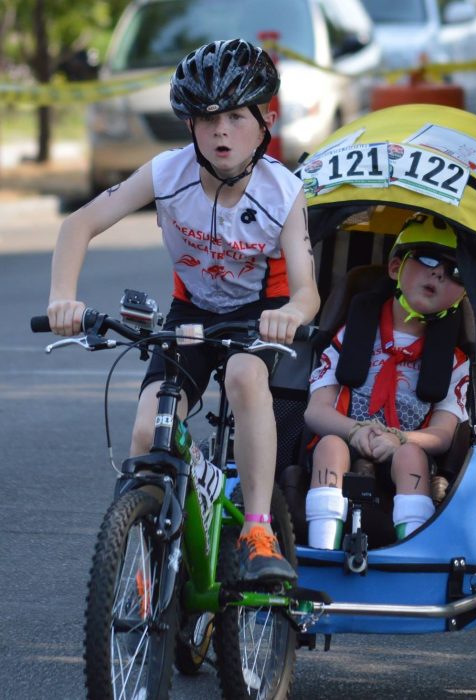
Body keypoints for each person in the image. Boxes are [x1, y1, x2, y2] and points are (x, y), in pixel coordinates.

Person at [46, 39, 320, 583]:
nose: (221, 130)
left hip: (260, 314)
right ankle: (146, 547)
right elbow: (77, 225)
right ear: (189, 125)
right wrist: (62, 296)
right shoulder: (165, 174)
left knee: (245, 376)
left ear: (266, 121)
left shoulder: (283, 192)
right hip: (190, 312)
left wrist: (290, 313)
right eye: (207, 117)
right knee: (149, 431)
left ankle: (259, 528)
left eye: (237, 116)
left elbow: (308, 292)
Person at [303, 214, 470, 549]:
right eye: (426, 259)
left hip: (410, 450)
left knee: (410, 457)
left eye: (453, 272)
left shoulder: (454, 360)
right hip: (346, 439)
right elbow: (315, 411)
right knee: (330, 446)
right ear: (395, 268)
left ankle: (413, 552)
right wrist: (354, 431)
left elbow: (443, 433)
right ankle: (322, 548)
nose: (438, 272)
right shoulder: (350, 335)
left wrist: (398, 439)